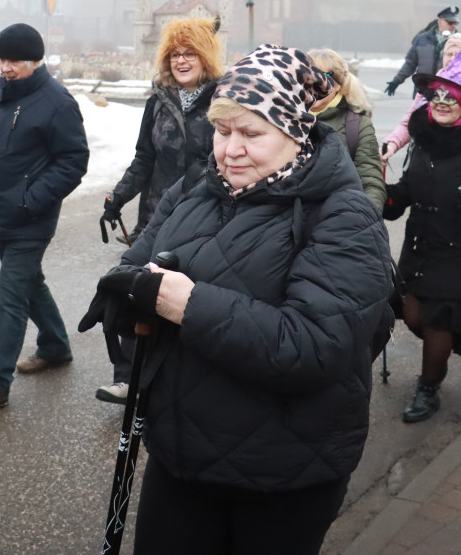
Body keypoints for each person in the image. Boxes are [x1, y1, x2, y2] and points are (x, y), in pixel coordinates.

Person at [80, 45, 395, 554]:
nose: (230, 150)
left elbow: (314, 346)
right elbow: (136, 264)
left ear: (295, 131)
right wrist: (127, 294)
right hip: (180, 453)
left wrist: (185, 303)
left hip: (284, 468)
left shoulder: (343, 216)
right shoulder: (198, 187)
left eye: (252, 133)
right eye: (223, 131)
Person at [0, 23, 90, 410]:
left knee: (11, 295)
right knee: (29, 284)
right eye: (2, 59)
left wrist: (31, 201)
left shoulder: (57, 102)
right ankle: (55, 345)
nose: (6, 67)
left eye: (15, 60)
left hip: (31, 219)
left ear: (35, 61)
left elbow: (74, 161)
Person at [384, 35, 461, 422]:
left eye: (450, 99)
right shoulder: (421, 143)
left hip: (458, 249)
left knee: (438, 318)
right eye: (435, 97)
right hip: (421, 242)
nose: (440, 104)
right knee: (411, 314)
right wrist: (382, 196)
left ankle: (429, 386)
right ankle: (447, 342)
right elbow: (406, 190)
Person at [96, 16, 224, 404]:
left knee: (190, 297)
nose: (181, 61)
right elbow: (143, 159)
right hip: (156, 214)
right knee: (138, 287)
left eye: (190, 53)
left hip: (206, 216)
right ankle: (127, 377)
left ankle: (185, 379)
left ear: (205, 57)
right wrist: (117, 197)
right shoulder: (157, 102)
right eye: (174, 54)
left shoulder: (223, 100)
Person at [382, 33, 461, 163]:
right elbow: (407, 123)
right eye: (448, 54)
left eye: (460, 54)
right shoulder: (429, 88)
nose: (453, 59)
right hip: (429, 162)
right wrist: (392, 144)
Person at [307, 48, 386, 211]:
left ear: (338, 85)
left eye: (323, 77)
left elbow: (371, 182)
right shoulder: (283, 120)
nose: (313, 85)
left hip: (337, 220)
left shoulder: (358, 125)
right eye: (306, 77)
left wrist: (363, 221)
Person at [385, 6, 459, 97]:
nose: (453, 26)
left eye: (455, 23)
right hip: (422, 92)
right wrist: (396, 81)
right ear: (440, 22)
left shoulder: (459, 42)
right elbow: (410, 63)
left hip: (446, 94)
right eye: (450, 22)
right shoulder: (422, 39)